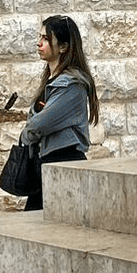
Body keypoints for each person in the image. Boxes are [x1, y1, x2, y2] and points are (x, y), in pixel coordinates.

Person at [19, 14, 100, 212]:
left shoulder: (72, 85)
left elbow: (38, 124)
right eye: (40, 38)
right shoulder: (53, 80)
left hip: (64, 162)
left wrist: (28, 130)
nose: (39, 44)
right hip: (47, 161)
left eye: (46, 39)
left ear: (63, 47)